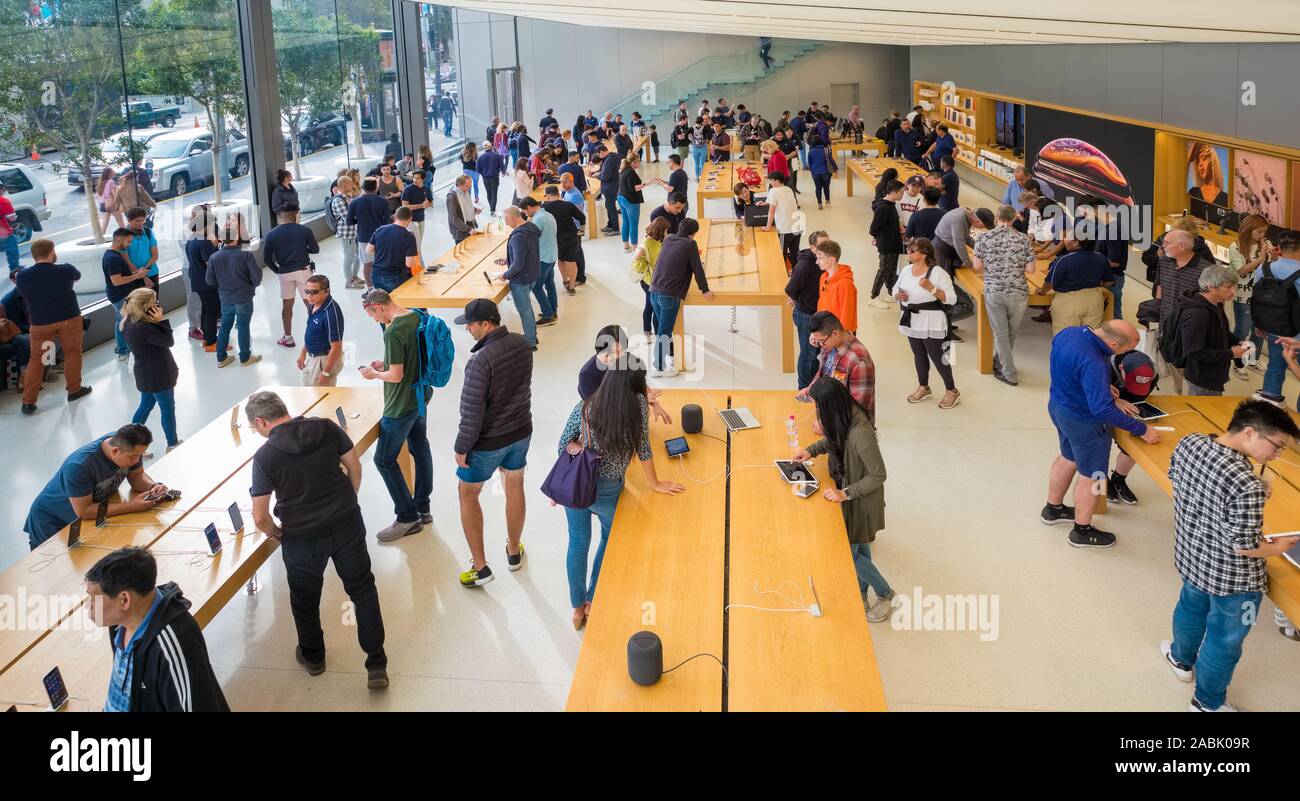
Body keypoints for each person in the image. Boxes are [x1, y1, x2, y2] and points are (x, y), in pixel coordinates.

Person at [244, 391, 389, 689]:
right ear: (284, 410)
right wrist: (347, 503)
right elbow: (356, 468)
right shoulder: (325, 427)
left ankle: (314, 658)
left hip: (301, 537)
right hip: (346, 522)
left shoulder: (265, 457)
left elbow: (260, 517)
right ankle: (376, 663)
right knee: (362, 589)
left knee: (305, 599)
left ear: (261, 422)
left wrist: (276, 532)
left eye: (254, 428)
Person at [1164, 400, 1300, 711]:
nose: (1278, 455)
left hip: (1192, 556)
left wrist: (1250, 491)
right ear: (1250, 432)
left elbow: (1181, 482)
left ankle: (1180, 660)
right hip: (1236, 582)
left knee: (1190, 609)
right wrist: (1279, 547)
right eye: (1277, 446)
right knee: (1226, 641)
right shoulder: (1246, 484)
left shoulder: (1191, 443)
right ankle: (1208, 703)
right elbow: (1245, 545)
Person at [561, 355, 683, 629]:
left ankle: (577, 610)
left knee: (577, 543)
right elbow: (643, 448)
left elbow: (563, 445)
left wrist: (578, 466)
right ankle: (594, 597)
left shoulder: (586, 405)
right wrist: (655, 484)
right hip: (608, 489)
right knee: (609, 538)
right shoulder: (637, 406)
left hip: (577, 487)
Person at [1043, 320, 1158, 548]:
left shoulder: (1070, 332)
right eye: (1124, 349)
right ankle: (1082, 531)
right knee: (1095, 476)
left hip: (1059, 407)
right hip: (1085, 422)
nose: (1124, 354)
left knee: (1068, 457)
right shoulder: (1095, 362)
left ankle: (1052, 508)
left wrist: (1100, 386)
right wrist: (1142, 429)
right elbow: (1102, 409)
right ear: (1113, 342)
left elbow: (1067, 363)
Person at [792, 378, 896, 622]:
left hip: (860, 499)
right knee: (859, 545)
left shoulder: (862, 435)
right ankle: (860, 591)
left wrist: (845, 493)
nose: (816, 411)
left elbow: (878, 475)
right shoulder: (844, 415)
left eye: (818, 406)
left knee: (849, 553)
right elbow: (835, 438)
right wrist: (812, 450)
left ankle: (885, 593)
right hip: (848, 491)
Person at [86, 547, 229, 711]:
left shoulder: (176, 643)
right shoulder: (119, 624)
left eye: (93, 598)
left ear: (124, 600)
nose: (87, 606)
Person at [453, 298, 533, 587]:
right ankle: (514, 551)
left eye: (471, 325)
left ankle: (481, 567)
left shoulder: (480, 361)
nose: (469, 330)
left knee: (467, 493)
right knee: (514, 485)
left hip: (488, 442)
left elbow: (472, 413)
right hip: (521, 431)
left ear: (486, 324)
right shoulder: (523, 345)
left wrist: (462, 447)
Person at [359, 289, 435, 543]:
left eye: (372, 315)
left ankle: (407, 516)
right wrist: (386, 363)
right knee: (420, 448)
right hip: (420, 396)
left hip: (400, 404)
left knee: (384, 459)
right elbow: (409, 357)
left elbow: (396, 376)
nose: (374, 321)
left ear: (378, 308)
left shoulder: (392, 330)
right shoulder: (415, 316)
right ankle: (423, 507)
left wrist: (375, 374)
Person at [24, 424, 166, 549]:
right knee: (52, 570)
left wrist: (153, 487)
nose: (137, 460)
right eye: (133, 457)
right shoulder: (79, 466)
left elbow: (137, 477)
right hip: (52, 519)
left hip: (87, 515)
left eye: (140, 455)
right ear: (115, 451)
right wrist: (131, 506)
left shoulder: (127, 445)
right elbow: (85, 511)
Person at [16, 239, 89, 416]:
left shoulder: (22, 276)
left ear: (34, 256)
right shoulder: (66, 269)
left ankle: (28, 402)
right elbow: (77, 277)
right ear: (51, 253)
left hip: (40, 324)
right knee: (72, 353)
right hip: (69, 319)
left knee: (37, 360)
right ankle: (74, 390)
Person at [972, 204, 1036, 386]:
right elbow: (1031, 270)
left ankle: (1009, 373)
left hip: (995, 290)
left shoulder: (983, 237)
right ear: (1014, 218)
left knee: (1000, 334)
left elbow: (977, 266)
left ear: (996, 218)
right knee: (1010, 333)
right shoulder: (1023, 239)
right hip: (1019, 291)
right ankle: (1001, 361)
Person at [892, 238, 959, 408]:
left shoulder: (938, 273)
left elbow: (952, 299)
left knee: (939, 357)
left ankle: (952, 390)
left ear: (924, 253)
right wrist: (897, 296)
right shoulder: (907, 269)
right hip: (911, 319)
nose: (909, 253)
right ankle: (924, 387)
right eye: (908, 249)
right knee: (919, 354)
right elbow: (895, 288)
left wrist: (932, 288)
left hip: (932, 321)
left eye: (912, 251)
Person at [648, 218, 713, 376]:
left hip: (654, 291)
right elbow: (697, 269)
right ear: (693, 233)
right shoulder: (690, 244)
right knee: (665, 330)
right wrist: (705, 290)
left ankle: (668, 359)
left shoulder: (669, 239)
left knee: (663, 330)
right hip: (668, 295)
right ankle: (659, 367)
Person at [119, 288, 181, 452]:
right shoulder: (144, 328)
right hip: (158, 375)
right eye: (154, 302)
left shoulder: (128, 322)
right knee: (167, 408)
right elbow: (168, 341)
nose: (157, 305)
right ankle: (172, 443)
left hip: (145, 374)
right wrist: (161, 321)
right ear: (144, 305)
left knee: (145, 407)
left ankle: (128, 444)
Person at [1156, 229, 1216, 394]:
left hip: (1191, 329)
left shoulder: (1206, 270)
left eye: (1167, 242)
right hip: (1167, 327)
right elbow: (1160, 286)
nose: (1163, 245)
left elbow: (1213, 302)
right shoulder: (1164, 262)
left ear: (1181, 246)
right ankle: (1179, 392)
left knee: (1191, 369)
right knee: (1172, 364)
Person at [797, 310, 876, 422]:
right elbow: (823, 372)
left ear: (835, 333)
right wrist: (811, 389)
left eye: (821, 341)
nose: (820, 345)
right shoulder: (830, 344)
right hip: (828, 412)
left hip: (848, 428)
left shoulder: (859, 361)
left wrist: (828, 425)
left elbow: (859, 408)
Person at [1177, 265, 1244, 396]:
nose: (1233, 291)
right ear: (1210, 286)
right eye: (1228, 286)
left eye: (1234, 286)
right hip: (1202, 378)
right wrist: (1231, 354)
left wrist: (1237, 341)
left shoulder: (1217, 303)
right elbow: (1194, 351)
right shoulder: (1197, 314)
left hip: (1214, 374)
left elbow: (1221, 332)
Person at [261, 205, 319, 349]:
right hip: (304, 271)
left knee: (287, 305)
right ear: (295, 215)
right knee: (311, 303)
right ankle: (317, 334)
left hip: (285, 273)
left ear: (280, 217)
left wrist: (278, 270)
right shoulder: (304, 230)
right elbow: (315, 249)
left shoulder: (271, 234)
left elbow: (267, 258)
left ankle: (288, 337)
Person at [205, 227, 262, 368]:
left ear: (221, 239)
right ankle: (245, 358)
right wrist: (251, 285)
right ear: (236, 237)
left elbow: (209, 281)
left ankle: (221, 358)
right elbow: (257, 277)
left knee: (225, 327)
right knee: (243, 326)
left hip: (225, 299)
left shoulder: (214, 257)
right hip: (244, 297)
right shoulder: (245, 254)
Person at [1227, 214, 1273, 380]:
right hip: (1242, 295)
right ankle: (1237, 363)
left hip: (1262, 295)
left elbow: (1272, 265)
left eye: (1264, 232)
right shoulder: (1236, 246)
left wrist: (1271, 254)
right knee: (1243, 329)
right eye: (1259, 232)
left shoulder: (1265, 243)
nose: (1262, 235)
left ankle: (1253, 360)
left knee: (1260, 329)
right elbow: (1241, 270)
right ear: (1248, 229)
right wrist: (1261, 258)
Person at [1042, 231, 1112, 336]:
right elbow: (1109, 282)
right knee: (1091, 337)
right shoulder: (1100, 257)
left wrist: (1041, 292)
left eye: (1066, 238)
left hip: (1069, 301)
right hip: (1095, 299)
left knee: (1066, 337)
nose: (1064, 240)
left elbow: (1049, 284)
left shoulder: (1064, 260)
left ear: (1075, 242)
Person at [785, 230, 828, 389]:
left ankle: (814, 384)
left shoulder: (823, 260)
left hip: (818, 313)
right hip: (806, 315)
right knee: (809, 353)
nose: (826, 247)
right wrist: (798, 301)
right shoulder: (805, 265)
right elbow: (790, 288)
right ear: (812, 247)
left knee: (817, 352)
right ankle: (803, 388)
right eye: (821, 245)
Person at [104, 227, 148, 362]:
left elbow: (122, 276)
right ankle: (123, 351)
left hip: (121, 294)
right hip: (119, 296)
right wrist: (136, 277)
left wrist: (137, 274)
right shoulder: (112, 258)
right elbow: (116, 281)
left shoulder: (115, 254)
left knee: (121, 321)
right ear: (118, 239)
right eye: (128, 242)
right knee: (123, 323)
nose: (129, 245)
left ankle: (121, 348)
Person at [297, 274, 344, 387]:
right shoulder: (313, 306)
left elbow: (337, 347)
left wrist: (326, 372)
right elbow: (312, 333)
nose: (309, 296)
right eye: (307, 291)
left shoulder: (331, 313)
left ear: (327, 291)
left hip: (323, 361)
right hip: (312, 358)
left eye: (314, 292)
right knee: (308, 393)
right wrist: (303, 353)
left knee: (321, 399)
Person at [519, 197, 558, 327]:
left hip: (543, 257)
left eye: (525, 211)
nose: (525, 214)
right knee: (549, 283)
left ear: (529, 208)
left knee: (536, 286)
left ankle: (548, 315)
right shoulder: (549, 215)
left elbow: (531, 241)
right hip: (552, 255)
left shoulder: (538, 219)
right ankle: (553, 310)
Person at [346, 177, 392, 289]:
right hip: (381, 236)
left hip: (364, 237)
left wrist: (361, 220)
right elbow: (386, 221)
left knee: (367, 263)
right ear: (376, 187)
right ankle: (383, 286)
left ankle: (370, 288)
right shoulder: (383, 201)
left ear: (363, 187)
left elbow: (349, 221)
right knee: (382, 262)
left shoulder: (355, 202)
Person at [542, 184, 586, 294]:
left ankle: (565, 281)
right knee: (572, 262)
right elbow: (582, 217)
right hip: (571, 237)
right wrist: (582, 229)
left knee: (561, 260)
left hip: (556, 238)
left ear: (547, 196)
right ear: (558, 194)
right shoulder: (568, 205)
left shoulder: (544, 207)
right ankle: (571, 287)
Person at [868, 180, 905, 309]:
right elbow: (873, 229)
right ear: (894, 192)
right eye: (901, 192)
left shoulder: (891, 204)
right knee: (884, 270)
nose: (903, 194)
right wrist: (878, 237)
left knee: (891, 270)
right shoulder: (883, 207)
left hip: (893, 243)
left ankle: (890, 293)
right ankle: (873, 296)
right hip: (887, 244)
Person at [367, 206, 420, 294]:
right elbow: (409, 263)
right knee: (404, 303)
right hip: (395, 276)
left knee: (383, 303)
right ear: (410, 219)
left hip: (376, 273)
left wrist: (384, 254)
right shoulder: (408, 236)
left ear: (395, 217)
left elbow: (368, 250)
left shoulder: (380, 229)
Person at [934, 206, 994, 275]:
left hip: (950, 247)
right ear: (978, 221)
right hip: (942, 248)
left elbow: (967, 238)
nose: (981, 229)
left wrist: (981, 249)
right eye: (983, 227)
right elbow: (959, 245)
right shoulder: (959, 218)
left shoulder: (967, 216)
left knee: (950, 275)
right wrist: (970, 265)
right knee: (945, 277)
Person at [814, 239, 857, 335]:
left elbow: (847, 314)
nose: (817, 262)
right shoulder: (823, 277)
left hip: (839, 334)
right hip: (825, 329)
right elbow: (821, 304)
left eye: (820, 258)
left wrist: (839, 336)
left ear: (832, 260)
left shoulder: (845, 284)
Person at [329, 176, 363, 289]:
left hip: (355, 232)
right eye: (350, 184)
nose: (352, 186)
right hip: (347, 233)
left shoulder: (348, 197)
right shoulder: (338, 200)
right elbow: (347, 217)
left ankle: (354, 277)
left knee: (358, 256)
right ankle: (348, 282)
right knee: (349, 258)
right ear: (343, 186)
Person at [763, 172, 800, 266]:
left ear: (776, 181)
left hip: (785, 229)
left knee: (781, 253)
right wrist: (765, 203)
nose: (770, 183)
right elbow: (780, 201)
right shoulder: (789, 189)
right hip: (798, 227)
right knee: (794, 253)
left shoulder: (773, 191)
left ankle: (782, 275)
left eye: (771, 180)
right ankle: (796, 273)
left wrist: (768, 227)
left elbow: (771, 210)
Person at [618, 153, 647, 252]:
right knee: (634, 224)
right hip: (630, 200)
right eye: (638, 161)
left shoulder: (623, 170)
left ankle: (626, 246)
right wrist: (646, 183)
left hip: (621, 198)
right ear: (634, 162)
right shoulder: (630, 172)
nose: (639, 163)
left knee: (625, 222)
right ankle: (635, 248)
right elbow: (633, 188)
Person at [401, 166, 432, 255]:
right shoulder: (407, 189)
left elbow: (431, 203)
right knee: (416, 245)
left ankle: (416, 265)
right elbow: (405, 206)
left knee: (419, 243)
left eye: (418, 178)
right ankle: (419, 266)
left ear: (423, 179)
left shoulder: (426, 189)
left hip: (421, 219)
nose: (415, 180)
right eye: (414, 178)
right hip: (410, 221)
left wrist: (427, 204)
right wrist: (421, 205)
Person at [123, 207, 159, 283]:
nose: (141, 223)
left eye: (143, 220)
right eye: (137, 221)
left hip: (152, 272)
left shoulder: (149, 232)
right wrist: (142, 275)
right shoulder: (123, 236)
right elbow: (126, 260)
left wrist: (144, 271)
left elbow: (155, 256)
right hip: (134, 275)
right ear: (129, 220)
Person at [446, 174, 482, 245]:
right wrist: (468, 229)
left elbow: (466, 206)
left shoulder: (465, 191)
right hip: (461, 231)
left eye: (470, 185)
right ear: (459, 185)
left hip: (470, 226)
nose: (469, 187)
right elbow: (454, 218)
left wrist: (474, 210)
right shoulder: (452, 197)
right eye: (467, 186)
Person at [805, 134, 836, 209]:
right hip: (825, 172)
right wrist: (836, 169)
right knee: (826, 187)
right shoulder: (826, 150)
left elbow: (809, 163)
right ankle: (827, 200)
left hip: (815, 173)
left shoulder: (811, 152)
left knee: (818, 188)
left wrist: (812, 172)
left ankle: (819, 204)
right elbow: (831, 160)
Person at [476, 139, 506, 215]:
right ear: (491, 146)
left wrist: (483, 173)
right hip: (495, 177)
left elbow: (477, 169)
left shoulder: (480, 157)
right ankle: (492, 209)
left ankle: (491, 208)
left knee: (489, 193)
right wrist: (503, 172)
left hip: (485, 178)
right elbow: (502, 166)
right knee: (494, 194)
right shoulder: (497, 155)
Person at [595, 145, 620, 234]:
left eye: (599, 154)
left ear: (602, 151)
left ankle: (615, 229)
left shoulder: (609, 160)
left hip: (610, 187)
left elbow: (606, 176)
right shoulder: (611, 157)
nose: (599, 156)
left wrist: (597, 176)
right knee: (609, 206)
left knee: (611, 208)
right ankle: (610, 225)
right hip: (612, 186)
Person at [0, 183, 21, 274]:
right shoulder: (4, 201)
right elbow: (12, 218)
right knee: (12, 250)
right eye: (4, 190)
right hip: (4, 233)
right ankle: (15, 268)